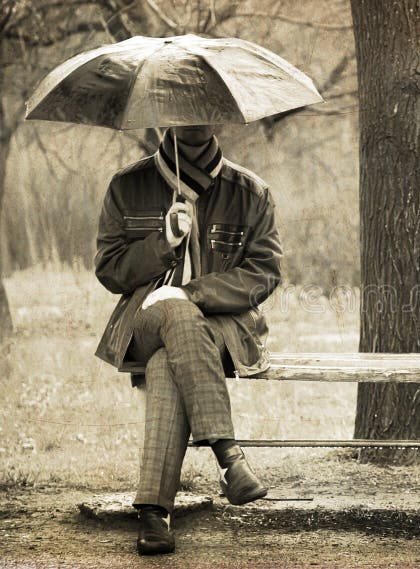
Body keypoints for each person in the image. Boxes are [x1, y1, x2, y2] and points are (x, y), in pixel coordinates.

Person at [93, 125, 283, 555]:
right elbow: (109, 271)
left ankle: (154, 512)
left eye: (204, 110)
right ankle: (228, 456)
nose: (195, 119)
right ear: (165, 117)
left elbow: (264, 274)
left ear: (219, 117)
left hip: (221, 328)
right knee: (175, 317)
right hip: (145, 321)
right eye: (183, 110)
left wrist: (192, 292)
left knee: (168, 360)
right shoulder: (128, 186)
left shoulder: (251, 192)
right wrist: (164, 241)